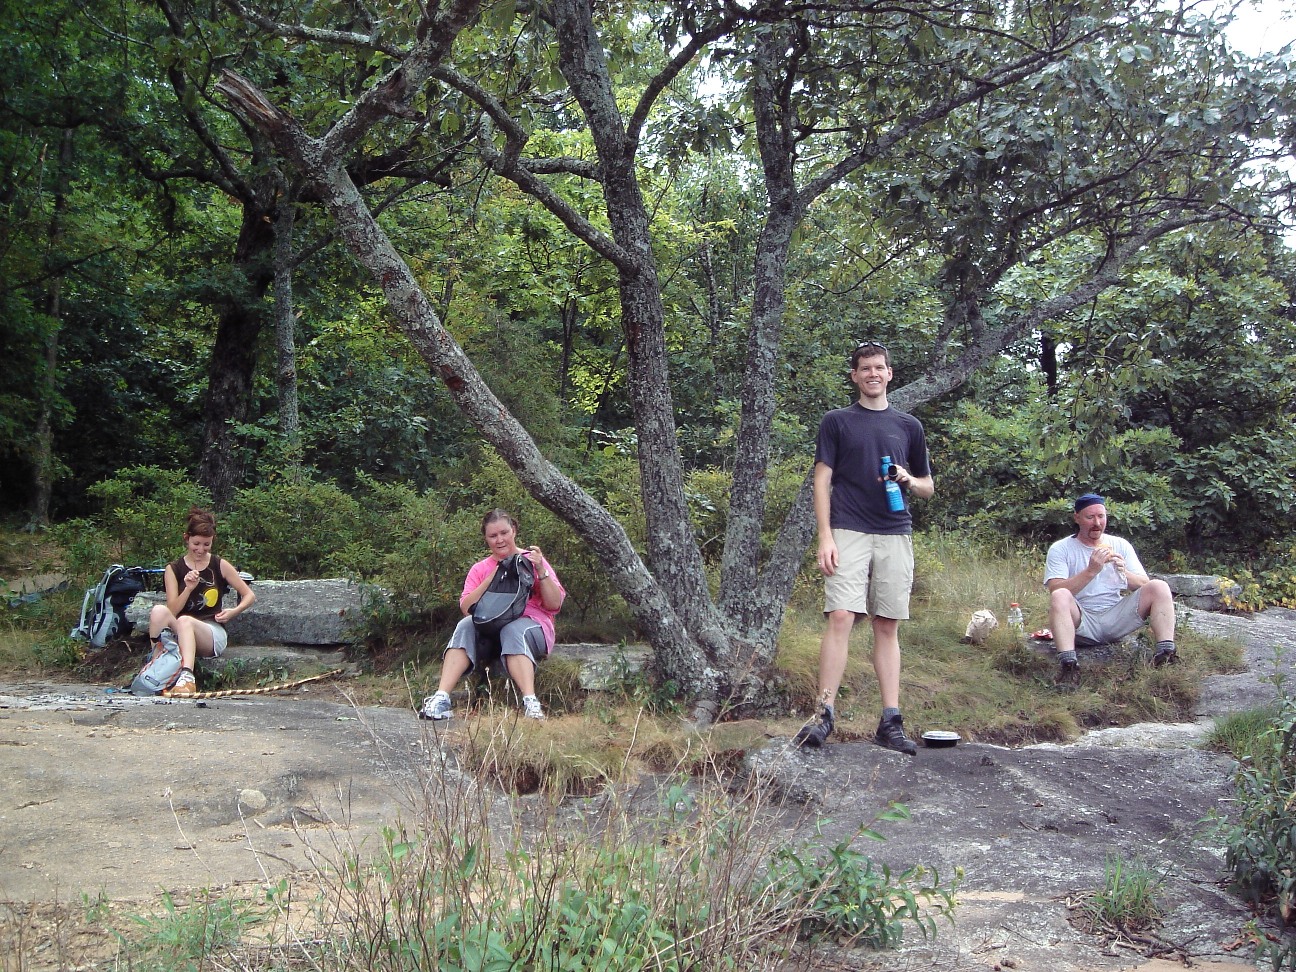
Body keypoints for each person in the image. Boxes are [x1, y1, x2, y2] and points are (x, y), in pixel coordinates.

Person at [797, 341, 935, 753]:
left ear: (890, 374)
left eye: (880, 368)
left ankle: (890, 722)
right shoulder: (837, 421)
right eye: (865, 369)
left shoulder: (908, 426)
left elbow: (928, 487)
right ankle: (822, 715)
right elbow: (823, 479)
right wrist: (825, 536)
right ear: (855, 376)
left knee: (886, 623)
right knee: (841, 614)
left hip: (895, 531)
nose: (873, 374)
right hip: (848, 528)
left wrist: (907, 479)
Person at [419, 509, 565, 721]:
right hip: (491, 629)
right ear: (486, 538)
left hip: (531, 626)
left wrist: (541, 570)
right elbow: (466, 607)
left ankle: (531, 703)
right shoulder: (480, 568)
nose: (500, 540)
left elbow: (554, 604)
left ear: (514, 530)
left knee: (513, 629)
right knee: (465, 625)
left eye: (504, 533)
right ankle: (441, 698)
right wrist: (491, 579)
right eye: (493, 536)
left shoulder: (531, 561)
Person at [1045, 492, 1178, 681]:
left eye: (1101, 516)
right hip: (1081, 621)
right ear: (1077, 518)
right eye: (1090, 517)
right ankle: (1069, 666)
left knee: (1160, 586)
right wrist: (1091, 570)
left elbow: (1144, 585)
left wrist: (1124, 574)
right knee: (1060, 596)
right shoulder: (1061, 548)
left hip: (1115, 617)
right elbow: (1055, 589)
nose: (1097, 523)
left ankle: (1166, 653)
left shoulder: (1119, 544)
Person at [146, 506, 257, 697]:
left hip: (211, 632)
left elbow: (249, 595)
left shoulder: (218, 564)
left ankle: (187, 677)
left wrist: (233, 611)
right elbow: (172, 610)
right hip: (182, 628)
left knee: (185, 621)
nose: (201, 549)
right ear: (186, 538)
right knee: (158, 611)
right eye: (196, 544)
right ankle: (158, 667)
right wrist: (188, 588)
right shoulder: (173, 569)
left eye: (207, 544)